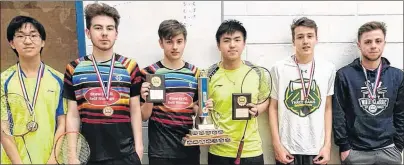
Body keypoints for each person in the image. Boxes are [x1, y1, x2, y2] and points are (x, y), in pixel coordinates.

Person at [63, 3, 143, 165]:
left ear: (116, 33)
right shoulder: (74, 68)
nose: (104, 33)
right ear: (88, 32)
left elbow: (135, 110)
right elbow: (72, 115)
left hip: (126, 155)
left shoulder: (130, 66)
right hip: (90, 155)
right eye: (98, 28)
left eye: (110, 28)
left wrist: (139, 148)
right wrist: (72, 154)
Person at [333, 21, 403, 164]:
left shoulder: (397, 76)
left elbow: (401, 112)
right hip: (356, 151)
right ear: (359, 45)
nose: (373, 46)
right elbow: (338, 113)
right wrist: (344, 146)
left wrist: (399, 145)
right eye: (368, 41)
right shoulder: (344, 75)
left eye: (378, 41)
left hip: (389, 150)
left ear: (384, 43)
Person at [268, 17, 335, 165]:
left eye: (310, 36)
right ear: (293, 41)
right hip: (287, 149)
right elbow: (272, 108)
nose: (305, 41)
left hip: (317, 150)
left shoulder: (328, 69)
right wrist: (277, 145)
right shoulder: (279, 68)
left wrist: (327, 145)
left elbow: (327, 108)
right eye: (300, 37)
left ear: (316, 39)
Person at [1, 15, 66, 164]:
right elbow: (3, 128)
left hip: (51, 159)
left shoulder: (59, 79)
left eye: (33, 35)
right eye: (20, 36)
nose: (28, 41)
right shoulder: (3, 80)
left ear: (43, 42)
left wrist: (53, 159)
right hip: (13, 160)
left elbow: (62, 123)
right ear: (12, 43)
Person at [204, 19, 269, 165]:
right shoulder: (208, 74)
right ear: (218, 45)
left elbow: (266, 98)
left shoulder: (257, 72)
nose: (232, 45)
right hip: (219, 150)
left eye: (237, 40)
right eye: (226, 40)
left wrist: (258, 109)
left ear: (244, 44)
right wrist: (204, 107)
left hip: (251, 150)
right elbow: (198, 104)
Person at [139, 19, 201, 165]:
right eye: (169, 41)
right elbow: (143, 116)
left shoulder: (196, 73)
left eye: (179, 41)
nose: (175, 47)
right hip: (160, 151)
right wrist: (147, 98)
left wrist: (203, 109)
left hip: (189, 149)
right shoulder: (149, 73)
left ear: (185, 42)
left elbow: (197, 111)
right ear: (161, 43)